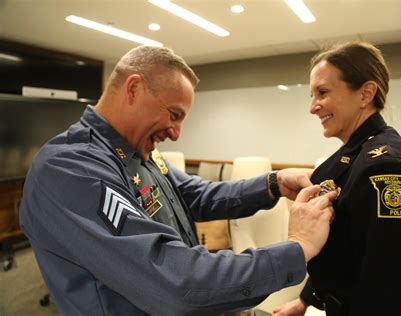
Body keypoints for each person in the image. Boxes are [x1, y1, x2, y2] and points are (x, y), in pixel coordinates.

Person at [19, 45, 337, 316]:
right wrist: (299, 246)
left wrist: (274, 183)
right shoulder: (73, 168)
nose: (176, 133)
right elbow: (174, 278)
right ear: (133, 88)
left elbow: (196, 195)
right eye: (174, 114)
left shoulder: (139, 154)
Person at [273, 42, 401, 316]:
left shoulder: (385, 168)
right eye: (312, 95)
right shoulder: (352, 157)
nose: (312, 107)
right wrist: (306, 300)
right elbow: (343, 250)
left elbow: (391, 291)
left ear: (365, 93)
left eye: (322, 92)